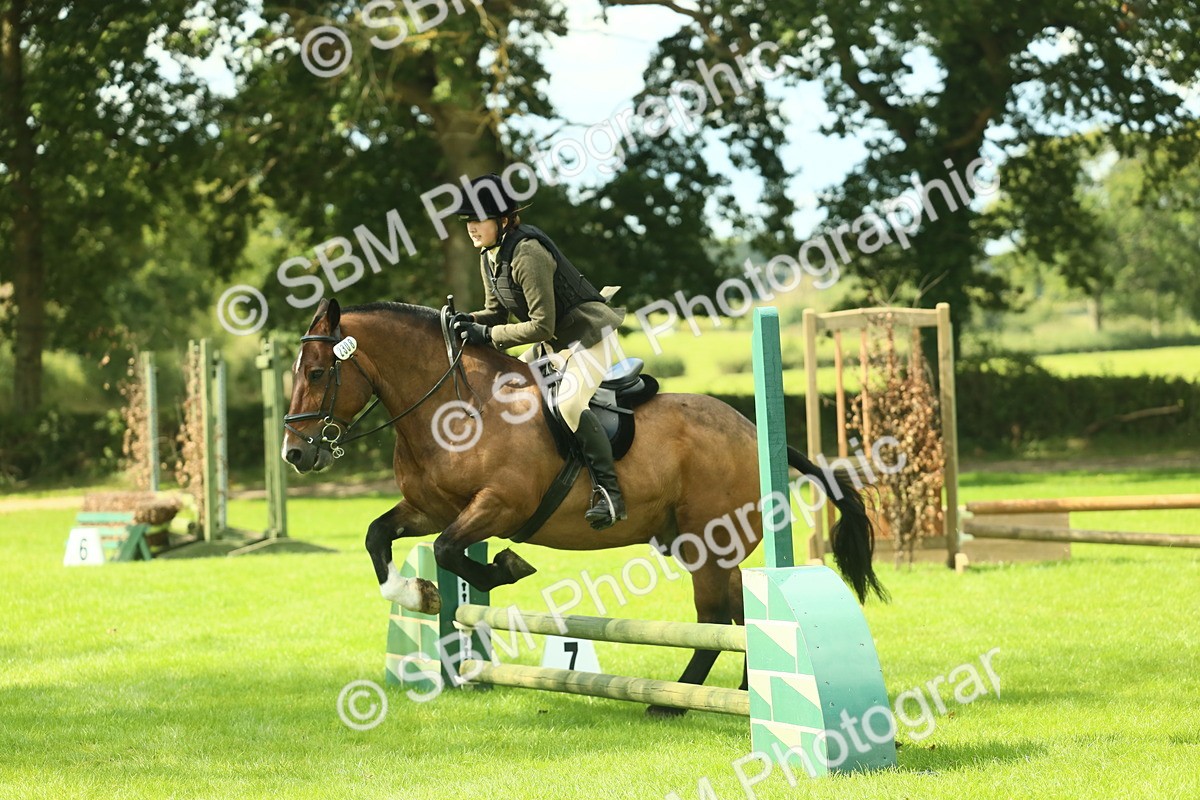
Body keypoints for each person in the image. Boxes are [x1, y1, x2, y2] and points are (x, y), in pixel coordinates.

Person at [449, 173, 628, 530]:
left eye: (478, 219)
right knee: (503, 388)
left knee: (569, 404)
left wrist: (486, 333)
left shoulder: (527, 254)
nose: (471, 227)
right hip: (554, 345)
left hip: (588, 339)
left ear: (502, 219)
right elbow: (496, 313)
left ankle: (610, 494)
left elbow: (541, 326)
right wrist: (463, 320)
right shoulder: (489, 254)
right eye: (468, 219)